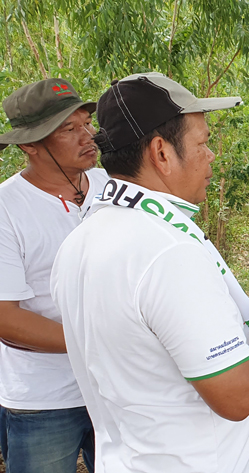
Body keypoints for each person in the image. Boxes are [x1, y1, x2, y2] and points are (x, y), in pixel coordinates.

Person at [49, 72, 249, 472]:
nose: (210, 156)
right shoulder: (167, 252)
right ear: (161, 152)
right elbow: (237, 395)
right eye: (202, 143)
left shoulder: (82, 240)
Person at [0, 78, 104, 473]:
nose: (87, 136)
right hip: (42, 400)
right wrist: (102, 341)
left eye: (86, 123)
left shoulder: (109, 186)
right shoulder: (7, 210)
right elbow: (6, 318)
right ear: (29, 144)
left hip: (113, 389)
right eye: (69, 129)